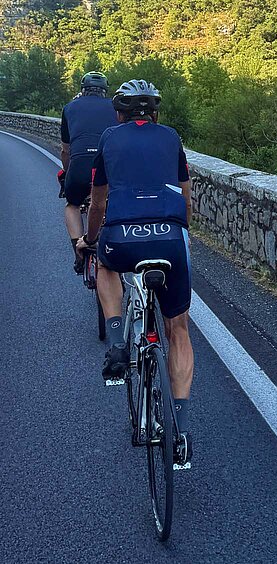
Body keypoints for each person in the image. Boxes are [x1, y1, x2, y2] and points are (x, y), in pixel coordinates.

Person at [76, 79, 194, 460]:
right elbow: (185, 196)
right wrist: (178, 235)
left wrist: (89, 241)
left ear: (119, 113)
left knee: (106, 267)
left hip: (121, 238)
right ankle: (181, 430)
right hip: (170, 238)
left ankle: (116, 341)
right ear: (155, 113)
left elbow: (97, 204)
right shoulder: (172, 138)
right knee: (178, 329)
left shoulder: (109, 139)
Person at [61, 72, 118, 272]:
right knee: (109, 201)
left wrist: (67, 173)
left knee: (72, 204)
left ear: (82, 90)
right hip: (107, 165)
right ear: (105, 91)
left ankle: (78, 248)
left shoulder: (69, 108)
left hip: (79, 165)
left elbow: (66, 150)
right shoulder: (115, 106)